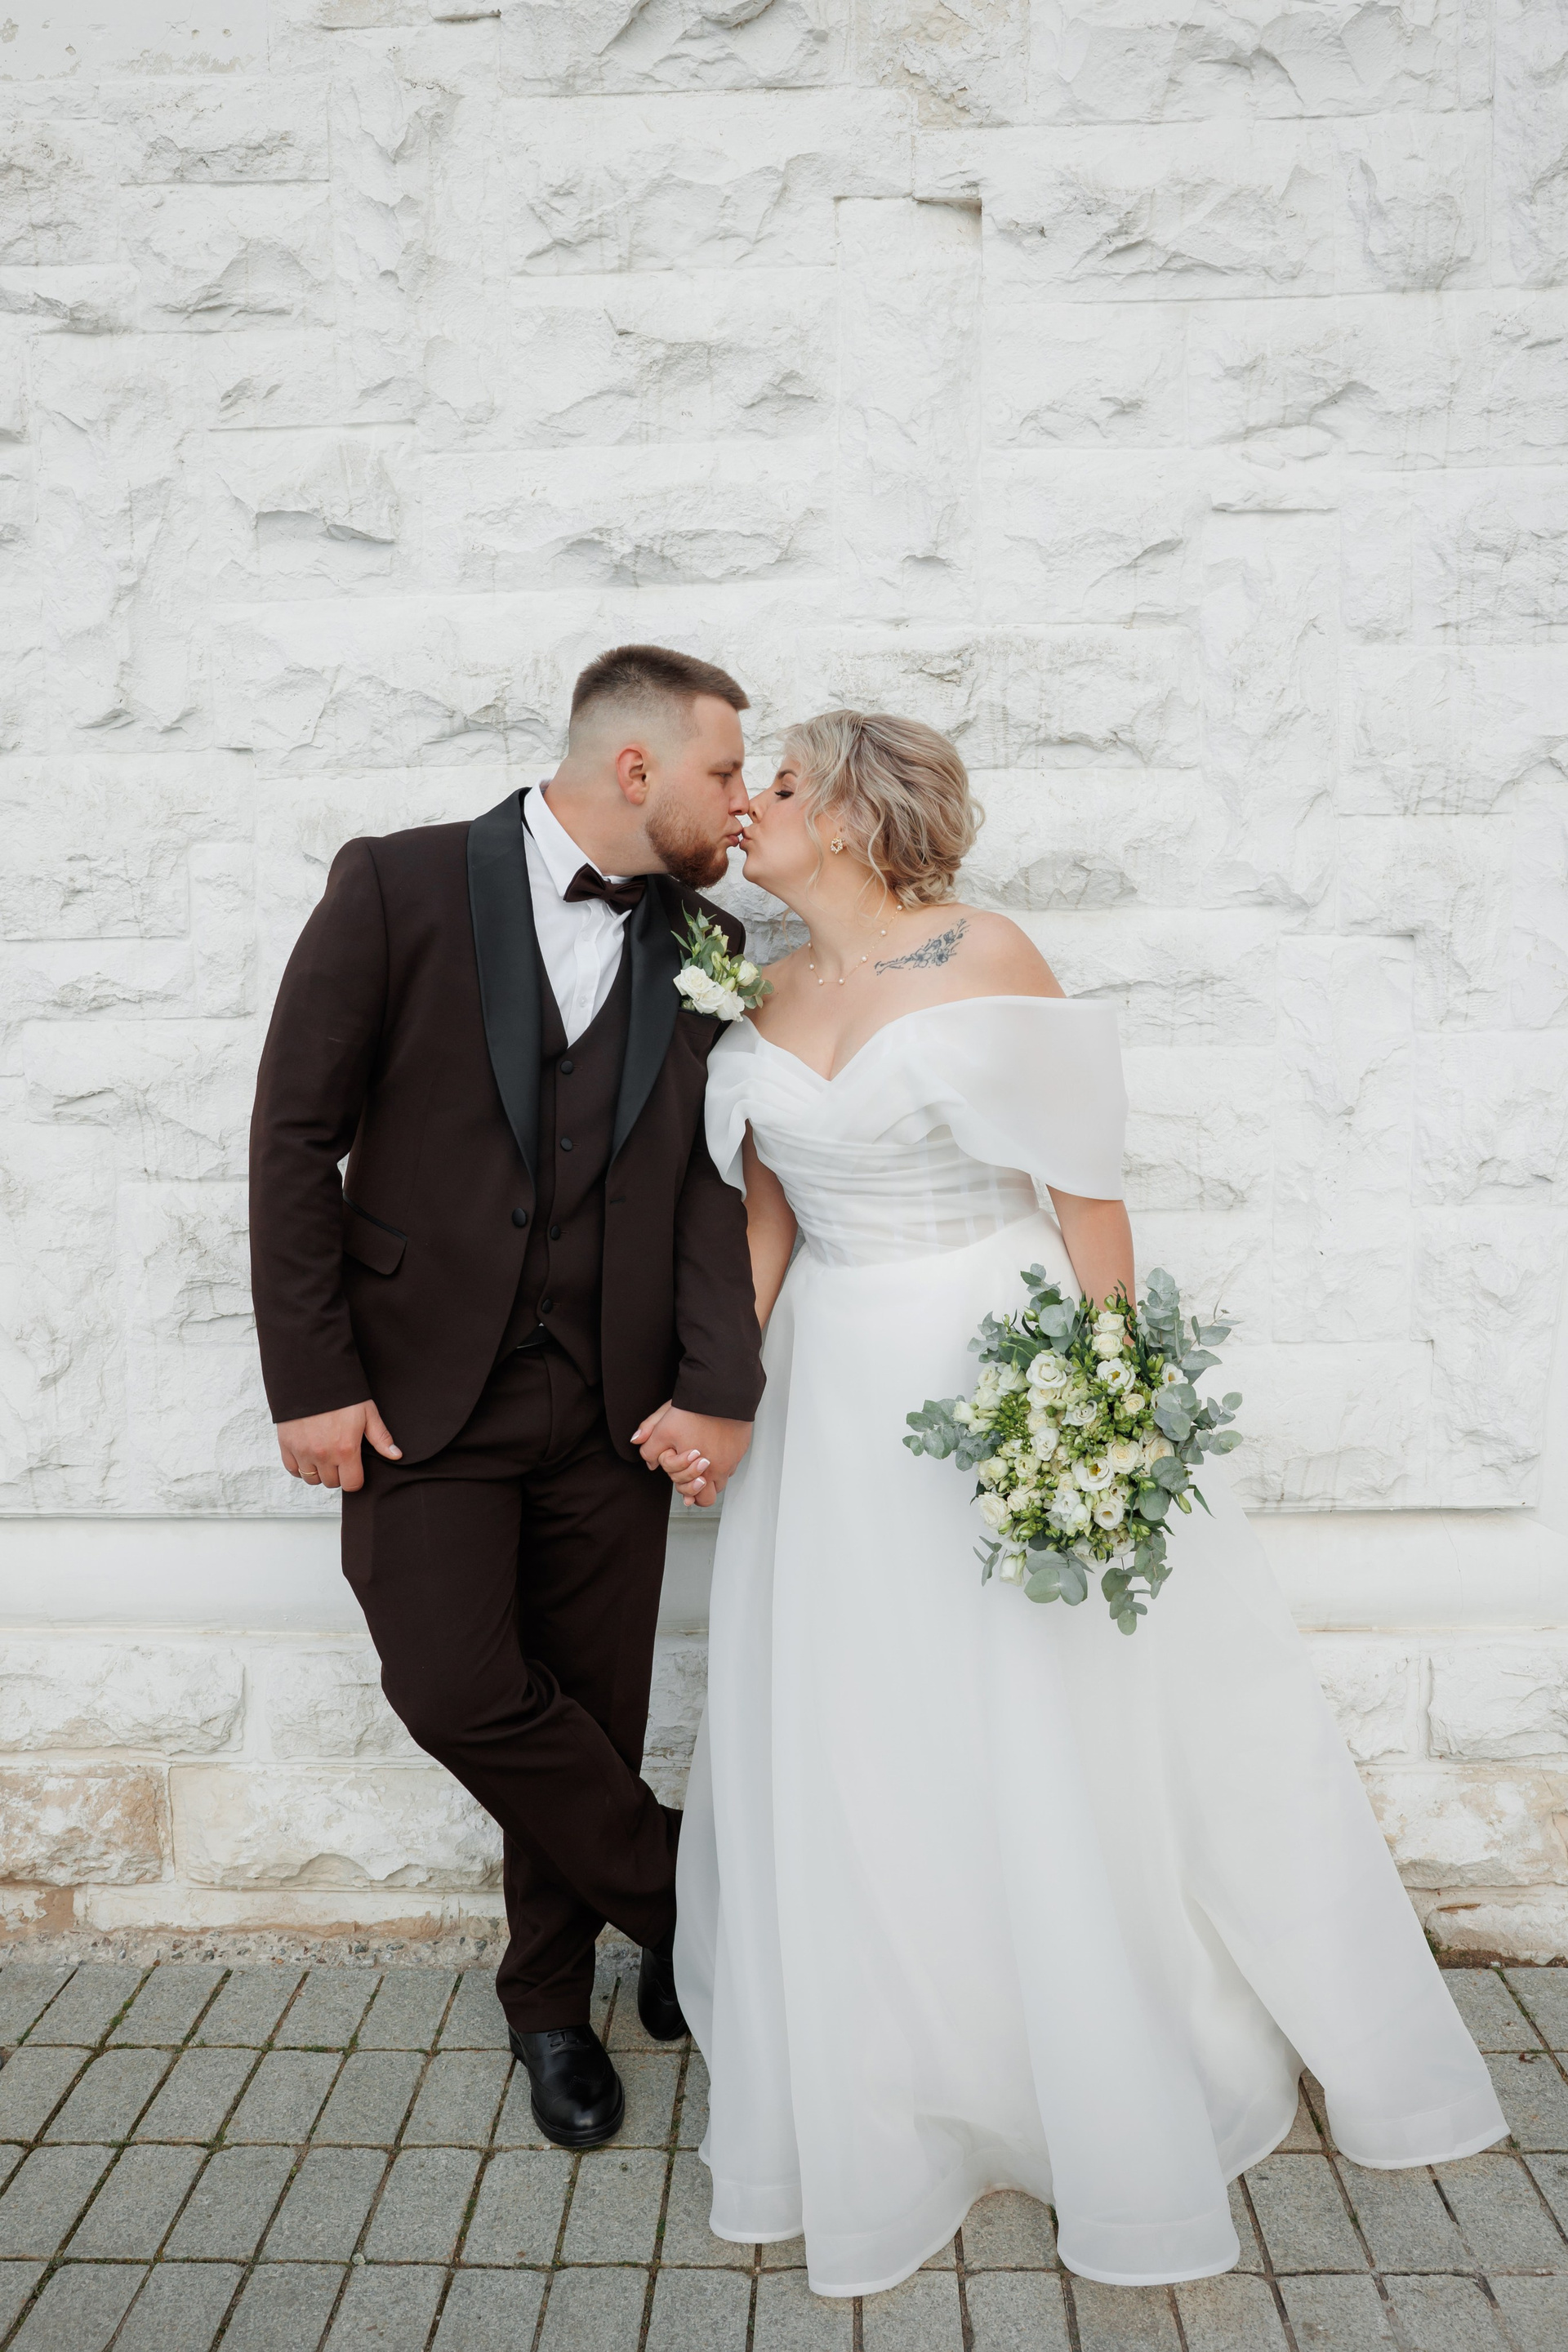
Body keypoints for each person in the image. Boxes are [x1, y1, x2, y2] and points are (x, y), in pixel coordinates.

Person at [664, 708, 1507, 2296]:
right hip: (834, 1391)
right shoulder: (761, 985)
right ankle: (904, 2046)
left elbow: (1086, 1196)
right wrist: (728, 1394)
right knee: (866, 1714)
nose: (748, 805)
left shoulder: (987, 954)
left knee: (1033, 1707)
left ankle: (1093, 2044)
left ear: (849, 813)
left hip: (990, 1358)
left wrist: (1106, 1402)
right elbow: (767, 1218)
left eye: (778, 783)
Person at [248, 644, 766, 2148]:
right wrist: (313, 1378)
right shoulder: (397, 885)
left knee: (591, 1711)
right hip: (418, 1394)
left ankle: (548, 2002)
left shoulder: (710, 941)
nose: (742, 803)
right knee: (454, 1687)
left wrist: (719, 1386)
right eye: (726, 770)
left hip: (616, 1403)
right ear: (635, 768)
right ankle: (692, 1904)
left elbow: (706, 1189)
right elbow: (293, 1137)